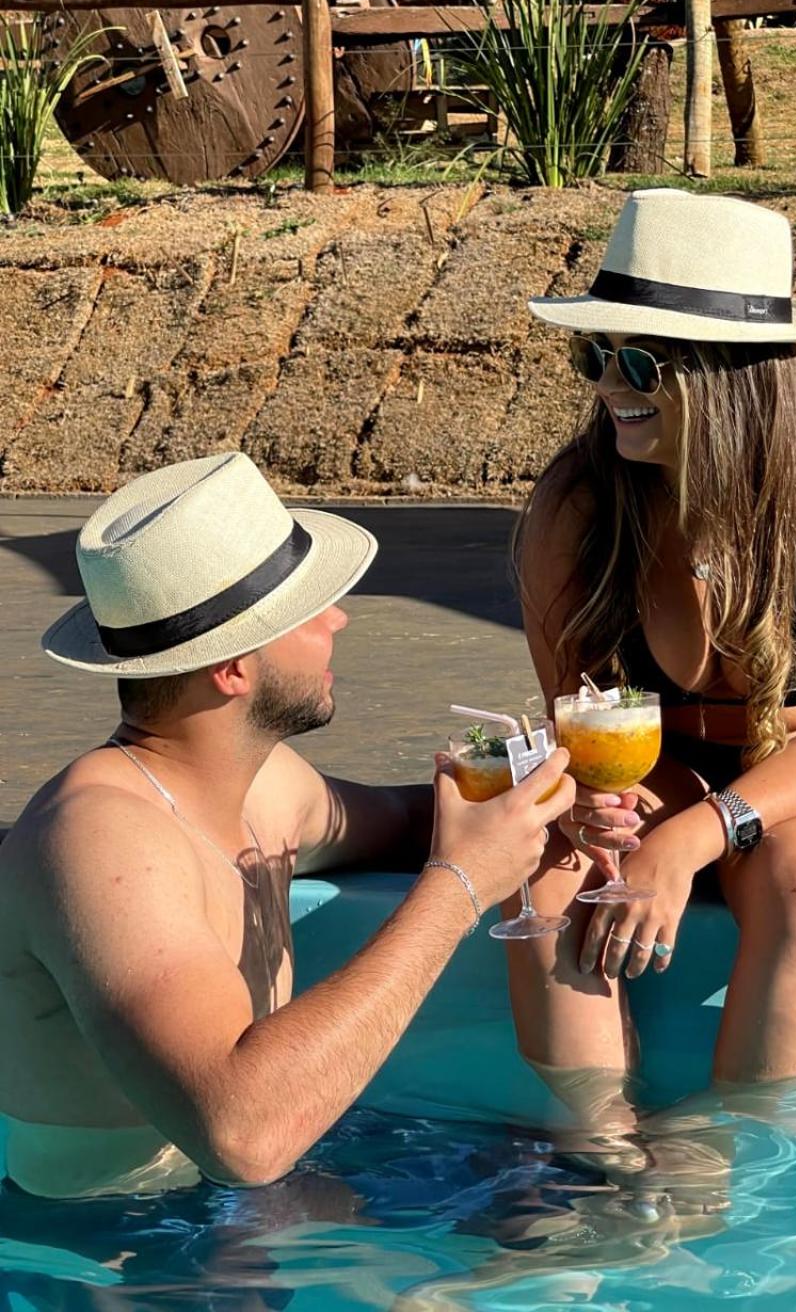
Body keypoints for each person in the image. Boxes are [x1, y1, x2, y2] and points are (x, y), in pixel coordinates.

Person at [0, 452, 572, 1200]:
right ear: (234, 668)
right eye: (309, 609)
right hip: (112, 1242)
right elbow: (244, 1139)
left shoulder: (266, 787)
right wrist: (459, 887)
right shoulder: (100, 841)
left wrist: (555, 802)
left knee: (549, 1190)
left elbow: (413, 822)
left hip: (232, 1214)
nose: (339, 619)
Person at [511, 189, 796, 1111]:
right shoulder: (578, 501)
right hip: (656, 764)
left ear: (731, 372)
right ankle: (596, 1151)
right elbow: (576, 716)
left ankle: (737, 1162)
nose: (608, 385)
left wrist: (692, 838)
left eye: (638, 360)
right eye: (595, 354)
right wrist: (603, 813)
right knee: (549, 877)